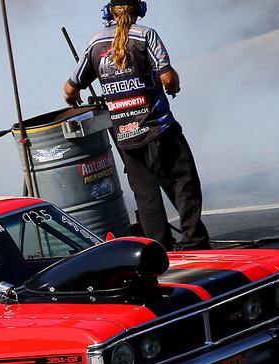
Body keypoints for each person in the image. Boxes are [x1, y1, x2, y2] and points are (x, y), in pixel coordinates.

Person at [64, 0, 211, 251]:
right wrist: (174, 86)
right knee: (183, 182)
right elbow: (168, 79)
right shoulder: (145, 35)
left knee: (146, 195)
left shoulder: (96, 42)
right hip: (159, 128)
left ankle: (160, 250)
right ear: (140, 10)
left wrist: (73, 98)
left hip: (125, 136)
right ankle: (194, 243)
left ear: (108, 12)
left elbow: (70, 88)